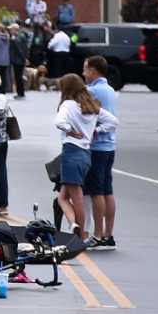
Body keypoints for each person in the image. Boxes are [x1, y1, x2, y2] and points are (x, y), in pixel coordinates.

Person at [51, 73, 114, 241]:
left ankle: (80, 232)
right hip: (86, 154)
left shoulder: (68, 105)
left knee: (75, 198)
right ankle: (74, 225)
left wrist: (70, 130)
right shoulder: (90, 106)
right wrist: (96, 131)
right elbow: (113, 121)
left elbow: (59, 122)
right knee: (63, 197)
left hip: (71, 153)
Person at [82, 56, 120, 248]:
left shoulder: (92, 91)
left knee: (96, 191)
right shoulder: (111, 90)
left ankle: (97, 234)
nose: (83, 73)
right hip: (109, 146)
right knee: (107, 189)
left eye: (85, 70)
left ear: (94, 71)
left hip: (96, 146)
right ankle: (108, 233)